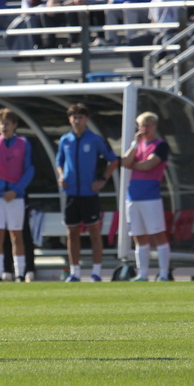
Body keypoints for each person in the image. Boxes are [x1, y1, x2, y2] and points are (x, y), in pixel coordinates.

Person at [56, 103, 119, 282]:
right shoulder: (65, 140)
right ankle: (75, 272)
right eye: (74, 117)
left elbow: (112, 160)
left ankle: (96, 272)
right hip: (71, 193)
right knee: (72, 233)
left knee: (94, 232)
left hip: (89, 193)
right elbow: (59, 162)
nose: (77, 120)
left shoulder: (95, 139)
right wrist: (61, 176)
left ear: (86, 119)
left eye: (81, 117)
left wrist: (103, 180)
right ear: (70, 120)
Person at [0, 108, 34, 282]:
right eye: (0, 123)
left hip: (15, 196)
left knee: (16, 234)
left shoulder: (23, 143)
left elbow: (29, 170)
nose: (3, 127)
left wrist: (16, 190)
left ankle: (19, 272)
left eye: (7, 124)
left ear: (14, 125)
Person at [120, 112, 172, 282]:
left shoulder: (161, 145)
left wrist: (132, 165)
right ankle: (142, 274)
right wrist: (134, 144)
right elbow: (124, 162)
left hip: (150, 197)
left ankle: (164, 273)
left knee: (158, 234)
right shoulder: (138, 145)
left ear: (154, 126)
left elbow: (149, 164)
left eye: (148, 126)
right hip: (133, 196)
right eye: (142, 126)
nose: (144, 130)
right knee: (138, 236)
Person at [128, 0, 182, 68]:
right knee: (133, 41)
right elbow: (153, 20)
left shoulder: (178, 0)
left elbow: (181, 20)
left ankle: (167, 64)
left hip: (171, 31)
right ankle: (140, 71)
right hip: (156, 31)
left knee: (160, 40)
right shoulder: (154, 1)